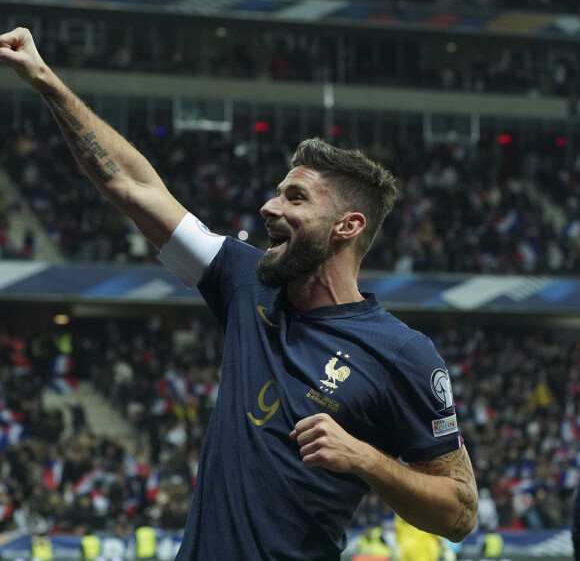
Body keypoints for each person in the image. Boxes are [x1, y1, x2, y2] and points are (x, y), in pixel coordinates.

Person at [0, 27, 478, 560]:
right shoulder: (244, 280)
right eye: (276, 194)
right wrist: (45, 81)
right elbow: (131, 186)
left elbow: (460, 512)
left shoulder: (401, 353)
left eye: (294, 198)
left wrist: (365, 459)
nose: (269, 209)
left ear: (347, 226)